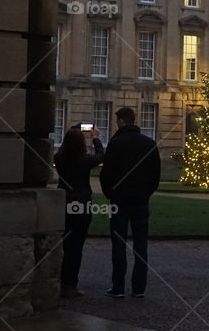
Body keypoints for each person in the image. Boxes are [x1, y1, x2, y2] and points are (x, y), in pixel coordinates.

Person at [100, 107, 161, 298]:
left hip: (120, 201)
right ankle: (138, 288)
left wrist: (110, 193)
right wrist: (146, 193)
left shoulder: (116, 143)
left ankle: (118, 287)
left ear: (121, 121)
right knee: (141, 245)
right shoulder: (149, 143)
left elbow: (106, 174)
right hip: (141, 201)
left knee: (118, 244)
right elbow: (155, 175)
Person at [53, 125, 104, 298]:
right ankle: (70, 285)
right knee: (76, 246)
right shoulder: (84, 160)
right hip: (81, 202)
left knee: (64, 244)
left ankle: (60, 283)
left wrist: (72, 131)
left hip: (64, 201)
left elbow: (62, 150)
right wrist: (95, 138)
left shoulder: (59, 157)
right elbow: (101, 156)